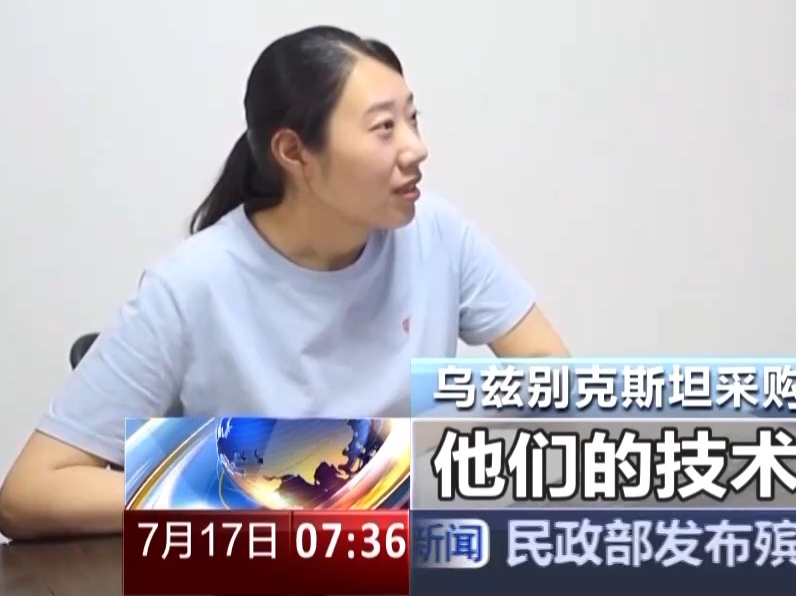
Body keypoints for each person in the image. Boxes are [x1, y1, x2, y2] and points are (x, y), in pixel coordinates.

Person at [0, 27, 568, 540]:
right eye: (384, 128)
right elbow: (29, 492)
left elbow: (551, 374)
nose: (416, 148)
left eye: (413, 119)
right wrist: (275, 487)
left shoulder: (435, 233)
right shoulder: (193, 286)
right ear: (294, 151)